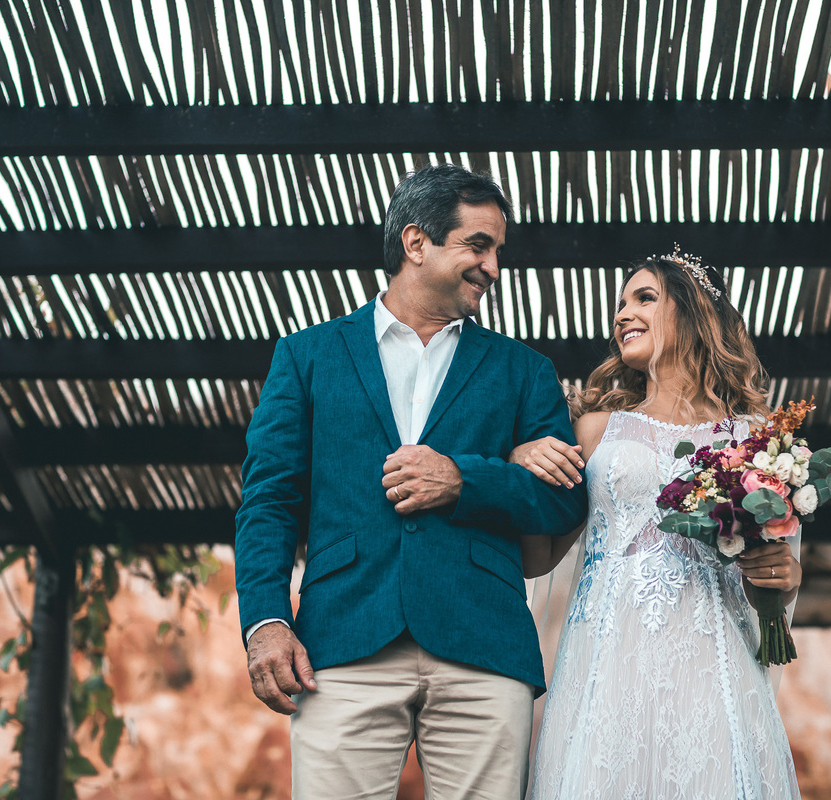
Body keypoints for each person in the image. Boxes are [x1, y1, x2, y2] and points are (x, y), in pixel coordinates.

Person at [234, 163, 588, 800]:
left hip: (484, 644)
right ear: (416, 242)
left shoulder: (525, 371)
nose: (494, 268)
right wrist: (265, 621)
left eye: (498, 251)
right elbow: (268, 499)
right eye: (477, 246)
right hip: (339, 643)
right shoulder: (306, 356)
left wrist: (465, 480)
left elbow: (564, 499)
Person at [514, 250, 802, 799]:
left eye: (644, 298)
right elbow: (537, 557)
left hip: (712, 662)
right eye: (620, 304)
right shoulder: (597, 429)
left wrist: (783, 580)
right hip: (607, 665)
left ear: (694, 315)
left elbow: (780, 573)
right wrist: (523, 464)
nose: (622, 314)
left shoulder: (755, 437)